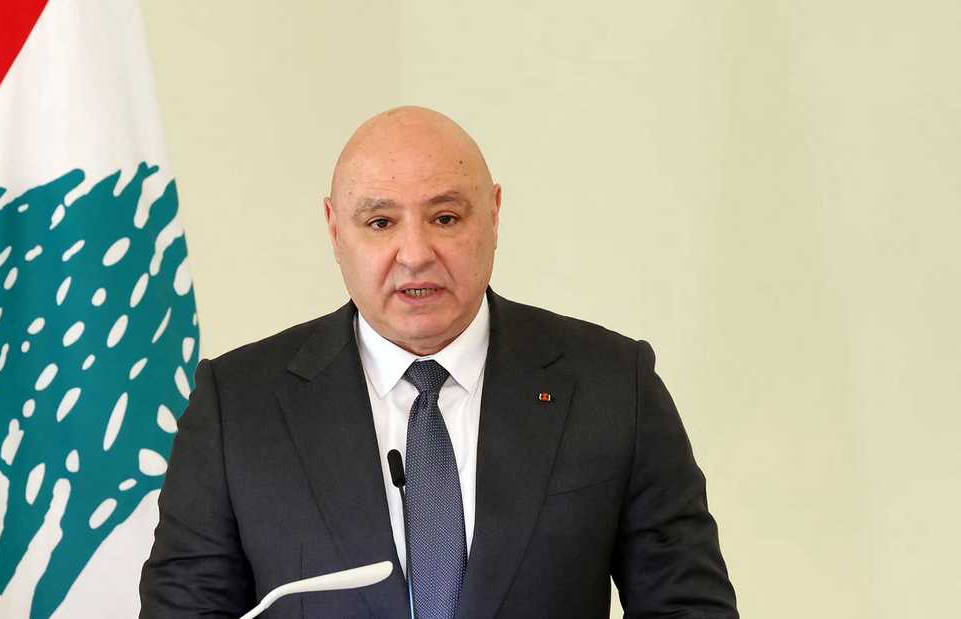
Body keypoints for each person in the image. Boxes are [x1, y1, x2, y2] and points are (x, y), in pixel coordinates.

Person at [139, 106, 738, 618]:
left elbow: (688, 606)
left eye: (445, 218)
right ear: (334, 229)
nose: (415, 254)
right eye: (380, 222)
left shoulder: (612, 386)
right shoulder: (237, 406)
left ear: (494, 215)